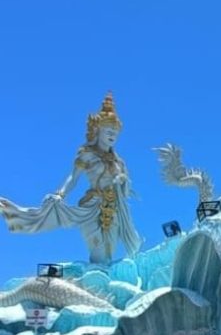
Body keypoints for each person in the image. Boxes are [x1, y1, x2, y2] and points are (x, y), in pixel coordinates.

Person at [0, 92, 142, 265]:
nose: (112, 135)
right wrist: (60, 194)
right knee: (98, 253)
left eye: (115, 132)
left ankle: (106, 277)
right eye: (108, 131)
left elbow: (126, 190)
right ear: (98, 131)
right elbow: (73, 177)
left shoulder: (119, 161)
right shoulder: (87, 154)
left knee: (108, 254)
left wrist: (122, 181)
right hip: (92, 207)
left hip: (114, 209)